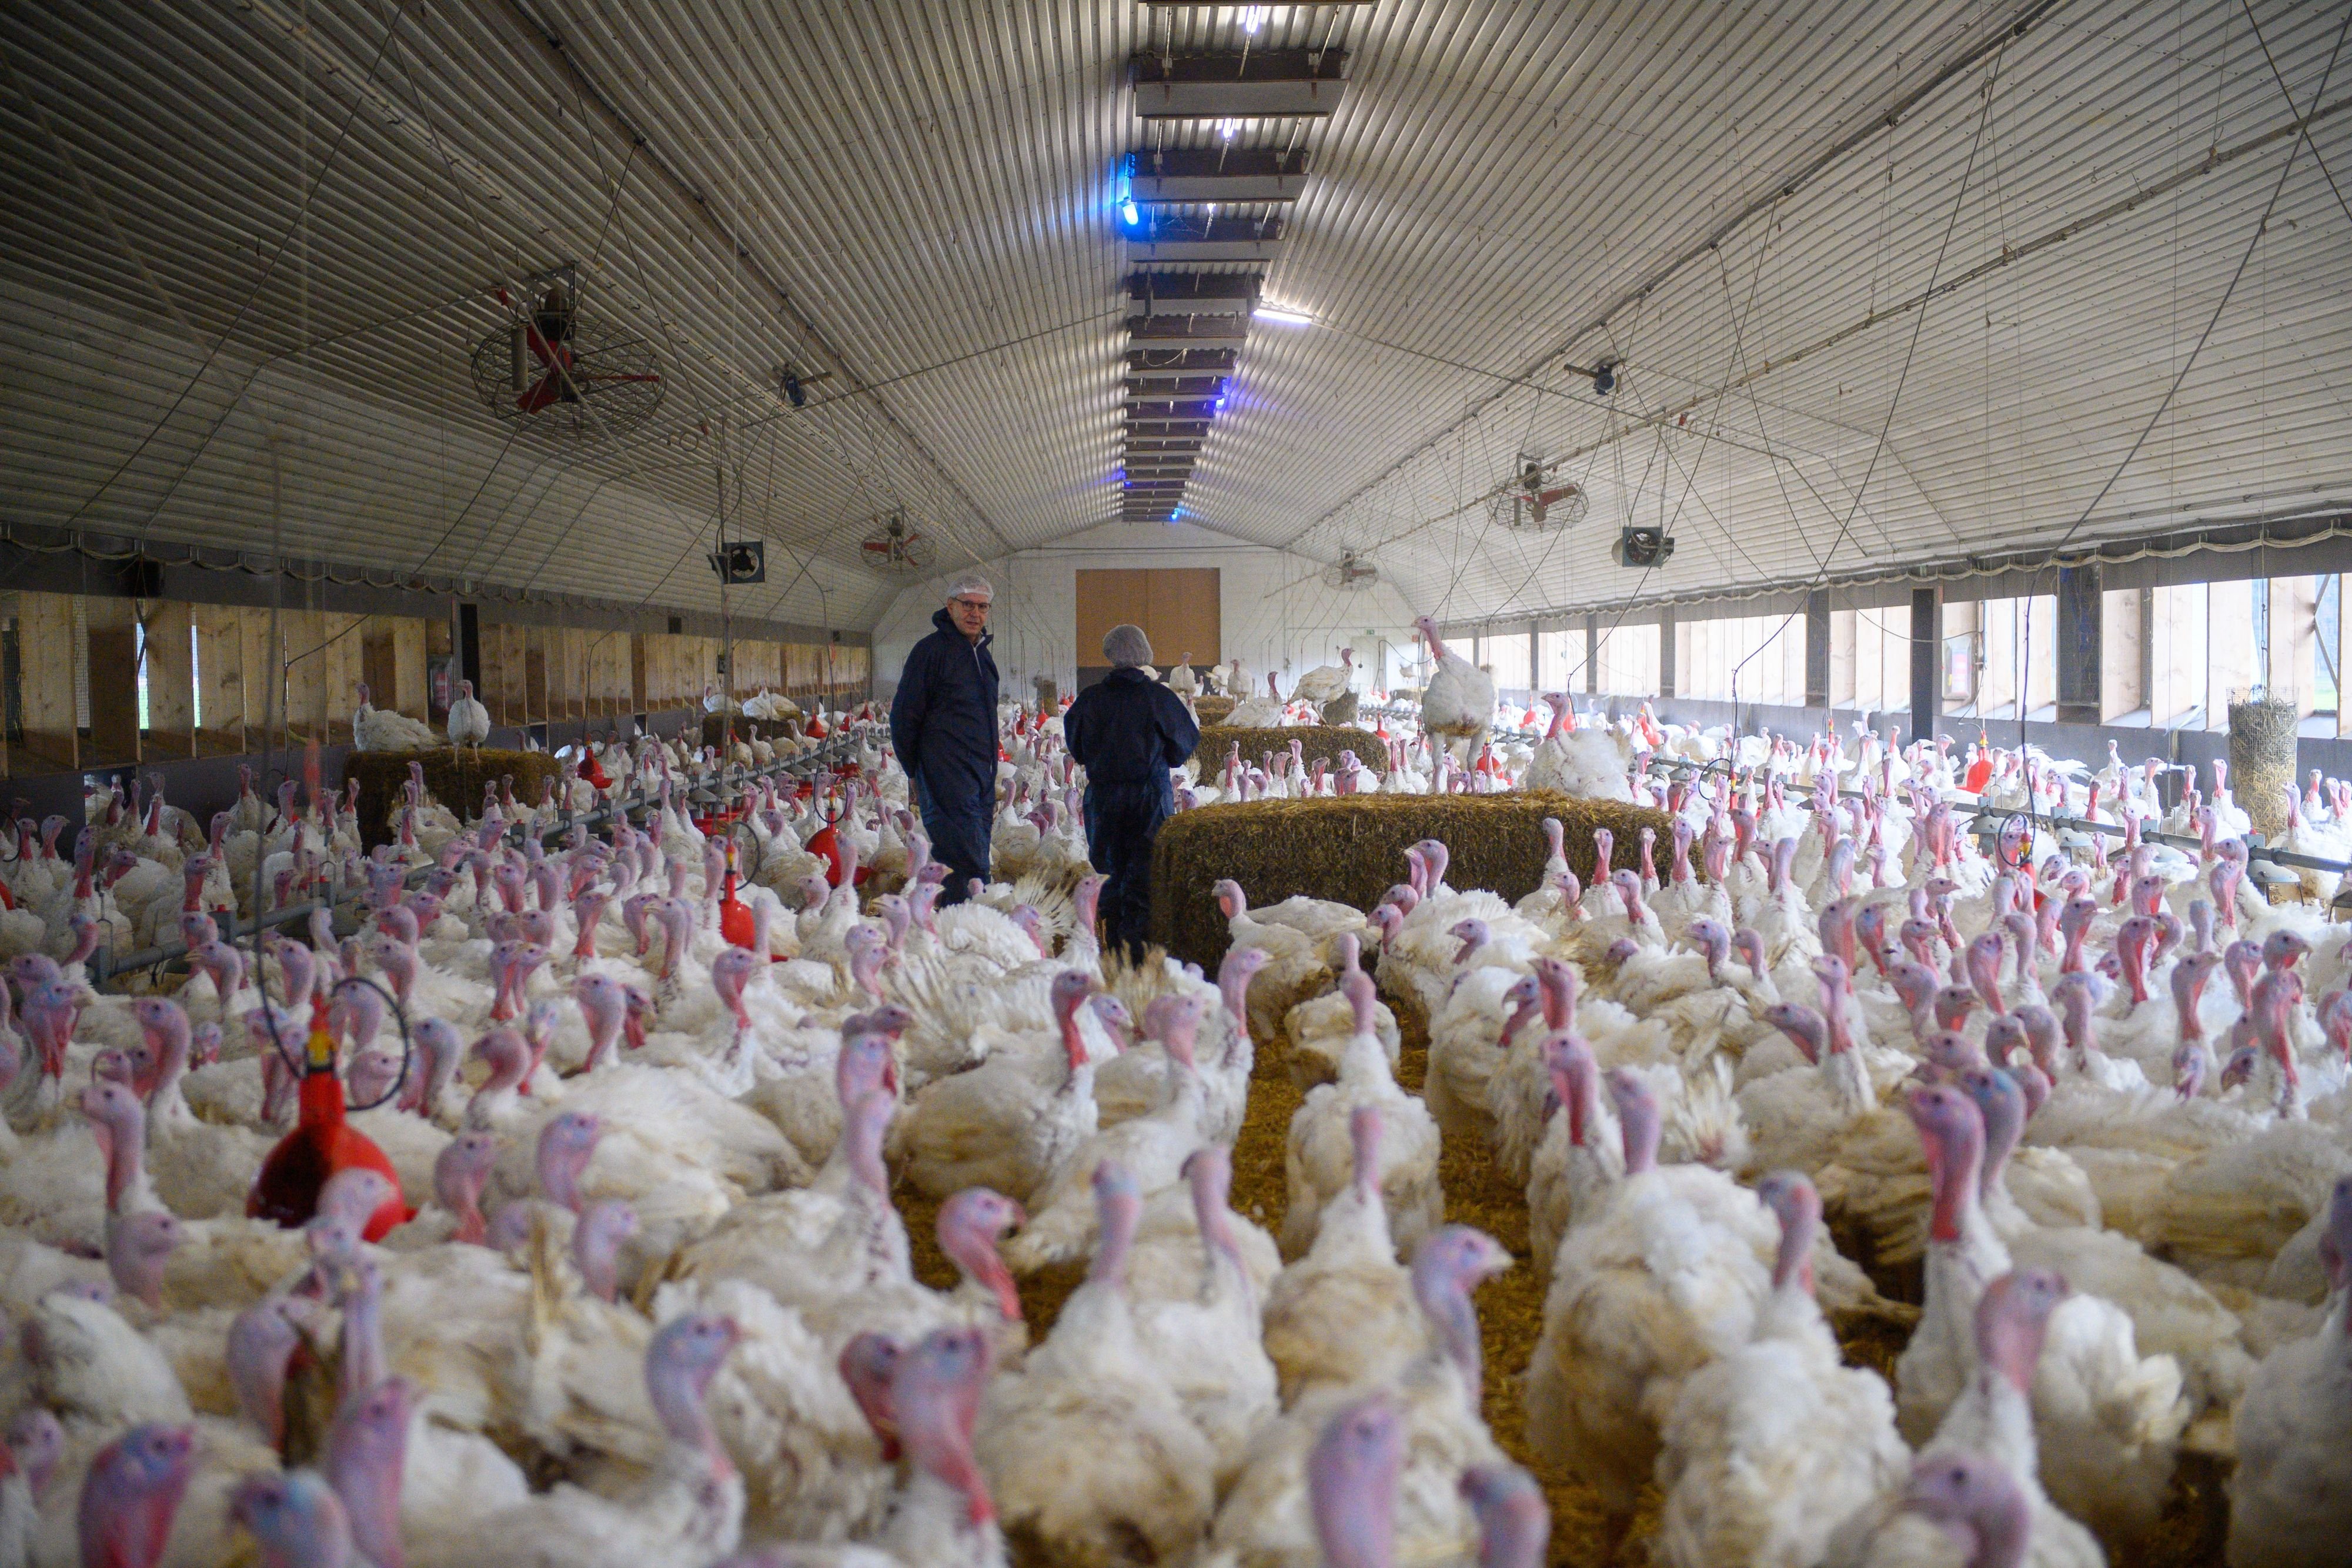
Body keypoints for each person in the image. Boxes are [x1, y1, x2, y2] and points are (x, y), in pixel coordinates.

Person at [1063, 623, 1200, 961]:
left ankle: (1113, 953)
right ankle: (1139, 955)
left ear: (1110, 655)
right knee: (1145, 874)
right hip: (1149, 799)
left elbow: (1077, 749)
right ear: (1144, 655)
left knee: (1109, 872)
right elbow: (1183, 747)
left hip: (1104, 800)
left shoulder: (1090, 700)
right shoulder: (1159, 698)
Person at [890, 572, 1000, 904]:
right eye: (967, 605)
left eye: (982, 607)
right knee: (965, 862)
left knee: (976, 854)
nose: (975, 614)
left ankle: (965, 928)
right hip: (946, 773)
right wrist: (917, 770)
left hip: (980, 774)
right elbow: (904, 717)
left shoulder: (982, 655)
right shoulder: (931, 653)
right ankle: (962, 930)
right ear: (950, 606)